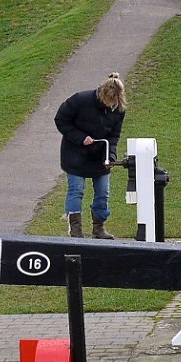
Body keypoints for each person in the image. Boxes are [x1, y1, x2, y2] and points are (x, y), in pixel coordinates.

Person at [55, 73, 126, 238]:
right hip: (75, 155)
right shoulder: (80, 100)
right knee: (76, 190)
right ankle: (75, 230)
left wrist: (110, 156)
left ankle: (99, 228)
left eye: (114, 103)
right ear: (102, 94)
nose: (111, 106)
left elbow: (113, 136)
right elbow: (61, 120)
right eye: (108, 102)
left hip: (100, 156)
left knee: (103, 193)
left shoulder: (119, 110)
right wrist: (81, 138)